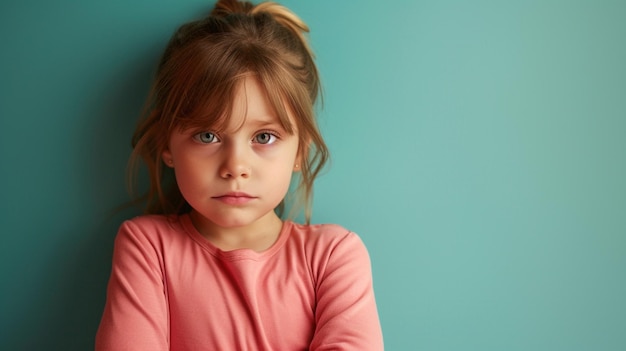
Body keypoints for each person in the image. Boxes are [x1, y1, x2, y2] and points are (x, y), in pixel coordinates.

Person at [95, 0, 383, 349]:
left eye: (264, 137)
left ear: (300, 150)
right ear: (167, 145)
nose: (235, 167)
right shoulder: (148, 248)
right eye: (207, 136)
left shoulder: (333, 256)